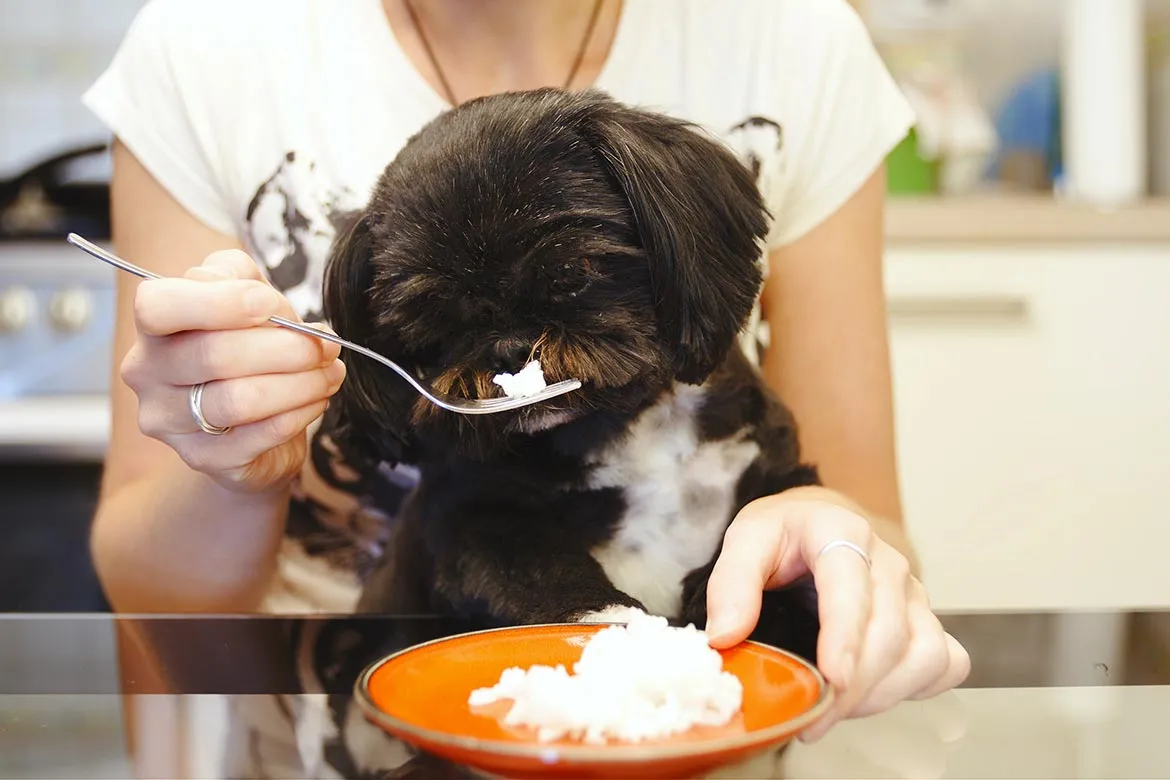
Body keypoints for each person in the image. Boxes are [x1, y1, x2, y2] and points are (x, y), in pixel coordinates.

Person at [84, 0, 970, 771]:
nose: (520, 362)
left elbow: (872, 524)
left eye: (575, 279)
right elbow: (147, 590)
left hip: (719, 746)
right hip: (345, 742)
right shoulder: (203, 48)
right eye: (444, 336)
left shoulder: (795, 38)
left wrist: (837, 549)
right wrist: (234, 465)